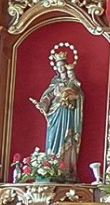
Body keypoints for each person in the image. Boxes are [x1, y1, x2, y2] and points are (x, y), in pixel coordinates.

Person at [30, 43, 84, 171]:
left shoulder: (73, 82)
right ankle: (51, 166)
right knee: (53, 137)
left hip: (67, 113)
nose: (60, 68)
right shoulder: (55, 82)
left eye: (62, 66)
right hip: (55, 113)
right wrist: (42, 104)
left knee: (67, 137)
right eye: (58, 66)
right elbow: (48, 96)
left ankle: (65, 168)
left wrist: (71, 96)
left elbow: (79, 96)